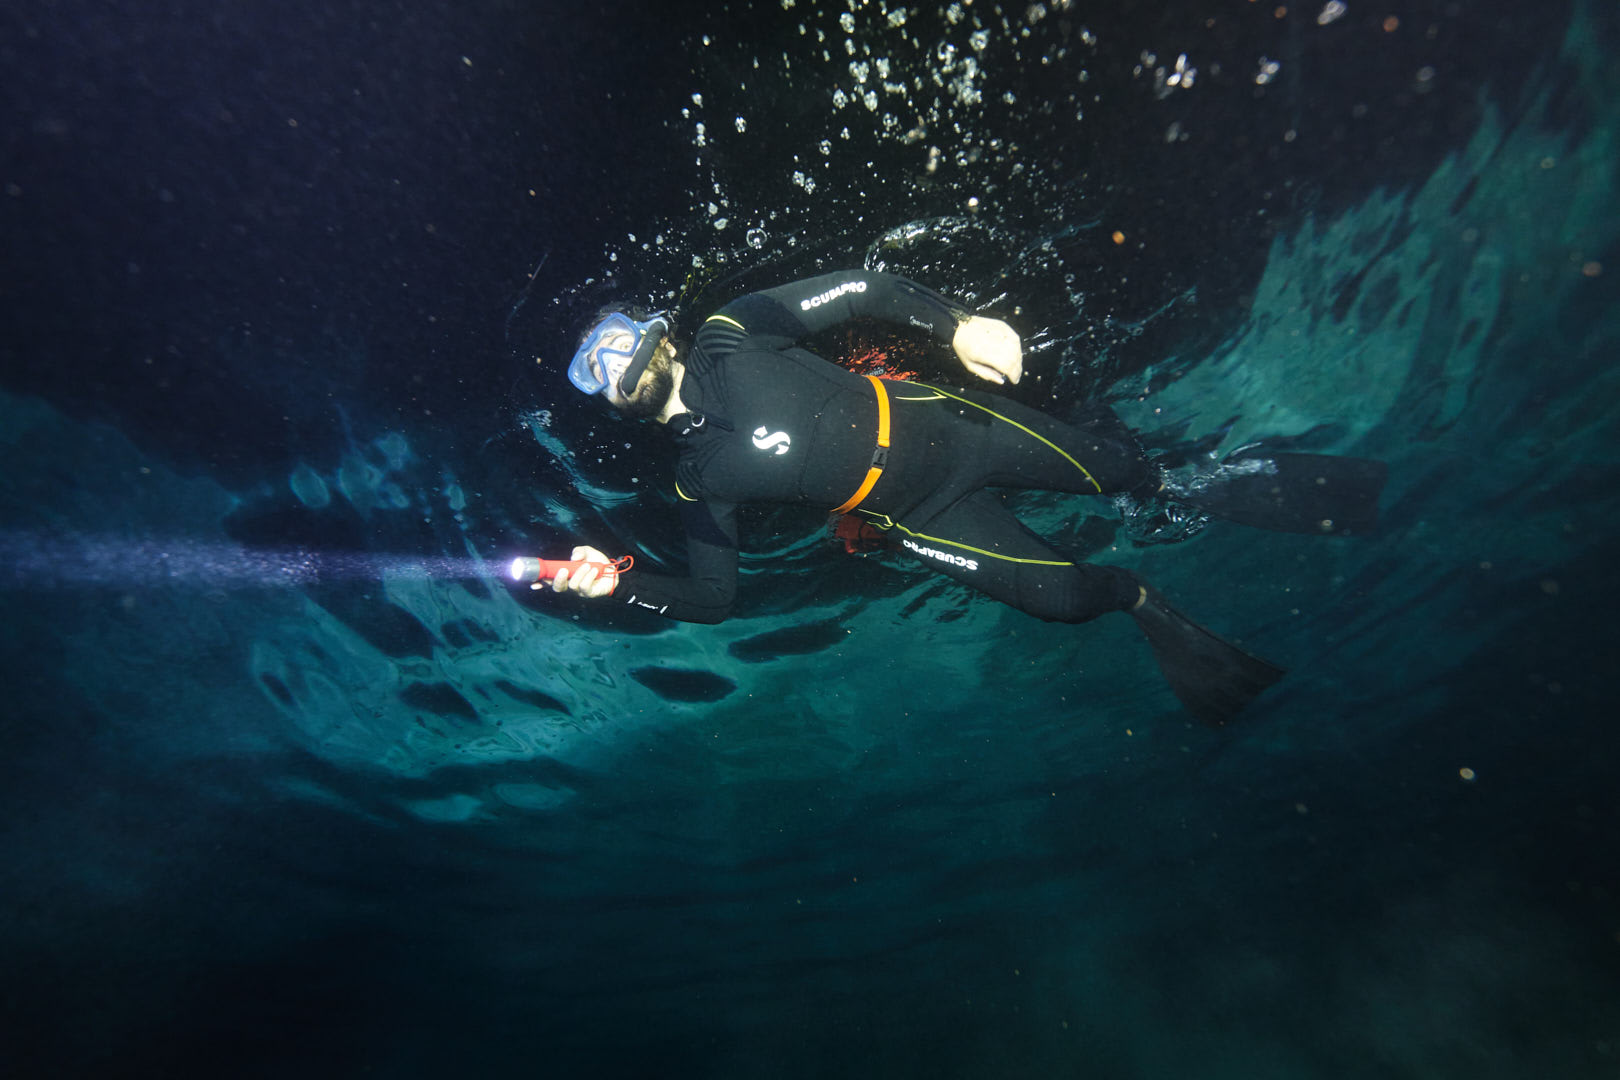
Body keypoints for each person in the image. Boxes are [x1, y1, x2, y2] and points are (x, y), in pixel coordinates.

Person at [544, 270, 1386, 724]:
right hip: (919, 515)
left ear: (656, 329)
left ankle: (1177, 485)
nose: (612, 361)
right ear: (608, 400)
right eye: (596, 367)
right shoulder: (696, 479)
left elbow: (864, 290)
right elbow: (715, 598)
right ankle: (1139, 597)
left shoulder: (732, 329)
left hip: (956, 423)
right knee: (1062, 600)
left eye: (615, 341)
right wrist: (621, 582)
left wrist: (955, 325)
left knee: (1122, 470)